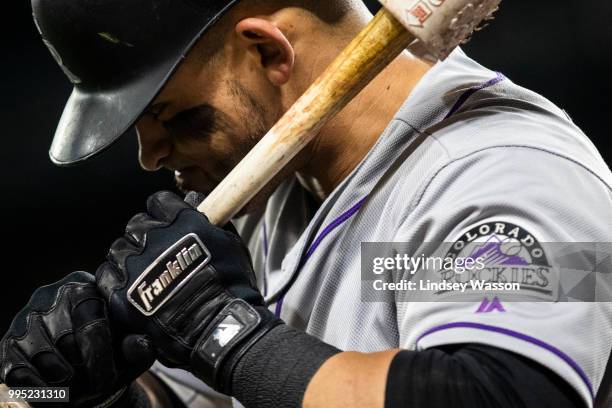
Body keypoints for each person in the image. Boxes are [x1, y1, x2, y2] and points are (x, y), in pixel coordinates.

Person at [2, 0, 611, 407]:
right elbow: (221, 394)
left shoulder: (501, 166)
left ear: (269, 52)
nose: (151, 155)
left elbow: (503, 395)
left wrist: (226, 336)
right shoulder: (278, 188)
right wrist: (96, 390)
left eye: (168, 116)